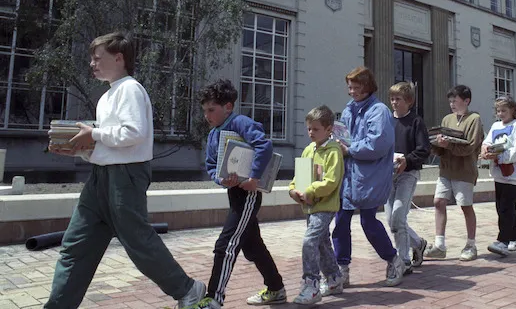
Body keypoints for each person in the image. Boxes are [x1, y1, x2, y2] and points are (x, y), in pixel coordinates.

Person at [45, 32, 206, 309]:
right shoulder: (107, 96)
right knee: (75, 246)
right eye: (91, 60)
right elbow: (111, 143)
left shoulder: (130, 89)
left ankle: (189, 289)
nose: (92, 64)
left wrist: (93, 133)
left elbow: (133, 133)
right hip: (100, 179)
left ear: (118, 58)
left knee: (139, 245)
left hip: (126, 177)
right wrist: (78, 148)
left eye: (98, 58)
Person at [198, 79, 285, 308]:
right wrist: (221, 179)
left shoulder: (240, 122)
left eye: (211, 110)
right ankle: (276, 288)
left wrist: (253, 177)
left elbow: (263, 146)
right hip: (234, 193)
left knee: (225, 245)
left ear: (228, 106)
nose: (207, 115)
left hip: (248, 195)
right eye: (205, 110)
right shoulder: (213, 135)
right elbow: (211, 166)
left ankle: (214, 298)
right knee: (252, 246)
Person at [332, 67, 405, 287]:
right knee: (341, 221)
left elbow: (378, 143)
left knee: (368, 222)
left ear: (367, 86)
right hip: (348, 175)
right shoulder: (348, 110)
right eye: (350, 87)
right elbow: (343, 136)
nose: (351, 91)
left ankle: (394, 259)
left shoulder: (378, 110)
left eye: (356, 87)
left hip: (369, 176)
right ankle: (341, 268)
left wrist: (349, 148)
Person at [288, 106, 344, 305]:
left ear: (329, 129)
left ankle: (311, 284)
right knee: (321, 243)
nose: (311, 133)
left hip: (326, 207)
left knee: (309, 241)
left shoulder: (333, 152)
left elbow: (331, 181)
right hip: (310, 207)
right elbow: (300, 177)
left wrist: (310, 191)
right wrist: (293, 189)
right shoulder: (308, 150)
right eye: (309, 128)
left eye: (316, 129)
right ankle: (334, 279)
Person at [424, 85, 484, 262]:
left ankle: (471, 244)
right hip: (445, 169)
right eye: (450, 101)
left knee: (465, 206)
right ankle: (439, 245)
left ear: (466, 101)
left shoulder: (475, 119)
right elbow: (442, 148)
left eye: (455, 101)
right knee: (438, 201)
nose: (451, 104)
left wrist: (448, 145)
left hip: (464, 170)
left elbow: (471, 147)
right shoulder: (447, 119)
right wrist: (436, 145)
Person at [386, 82, 431, 273]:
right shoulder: (387, 121)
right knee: (392, 221)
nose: (394, 103)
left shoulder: (416, 122)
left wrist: (407, 160)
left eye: (399, 99)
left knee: (398, 216)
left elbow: (424, 150)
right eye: (392, 99)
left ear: (409, 101)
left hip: (408, 174)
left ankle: (403, 261)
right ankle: (418, 243)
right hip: (388, 176)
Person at [480, 95, 516, 257]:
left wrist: (499, 157)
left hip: (512, 175)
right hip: (498, 173)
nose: (500, 114)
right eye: (498, 111)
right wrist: (485, 150)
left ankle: (503, 241)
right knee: (503, 208)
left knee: (506, 208)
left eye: (504, 110)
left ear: (513, 110)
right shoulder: (495, 126)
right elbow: (487, 141)